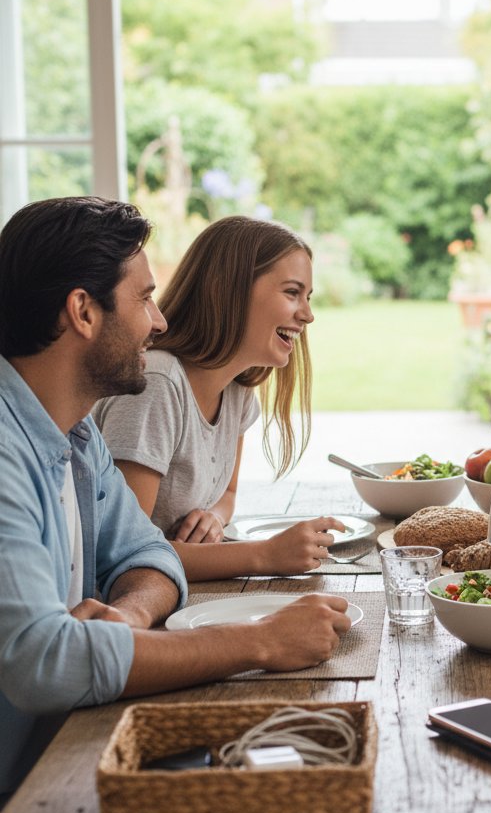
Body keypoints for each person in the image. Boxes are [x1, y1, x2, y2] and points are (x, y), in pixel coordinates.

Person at [0, 197, 353, 813]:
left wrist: (127, 617)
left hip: (68, 753)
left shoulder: (72, 433)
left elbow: (153, 558)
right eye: (146, 299)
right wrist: (257, 640)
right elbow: (44, 660)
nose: (160, 323)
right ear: (83, 311)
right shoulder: (5, 450)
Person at [94, 216, 345, 581]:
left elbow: (227, 494)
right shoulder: (159, 384)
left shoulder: (237, 389)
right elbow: (125, 552)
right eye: (292, 293)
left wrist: (214, 517)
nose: (307, 314)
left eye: (307, 297)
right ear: (228, 290)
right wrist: (265, 555)